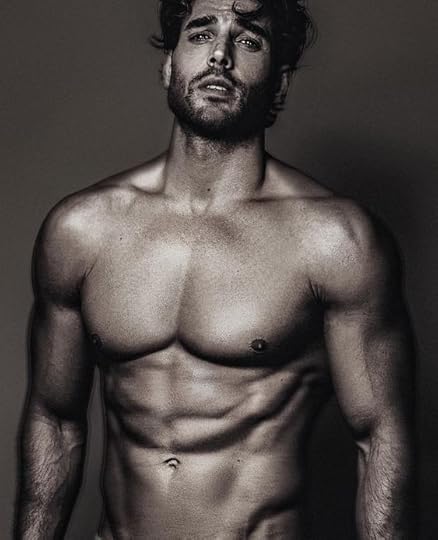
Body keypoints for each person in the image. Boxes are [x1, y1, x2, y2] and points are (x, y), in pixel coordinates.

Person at [15, 0, 416, 538]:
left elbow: (380, 436)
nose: (220, 55)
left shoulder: (335, 241)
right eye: (201, 34)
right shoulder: (83, 230)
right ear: (168, 65)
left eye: (248, 40)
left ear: (280, 84)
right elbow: (55, 421)